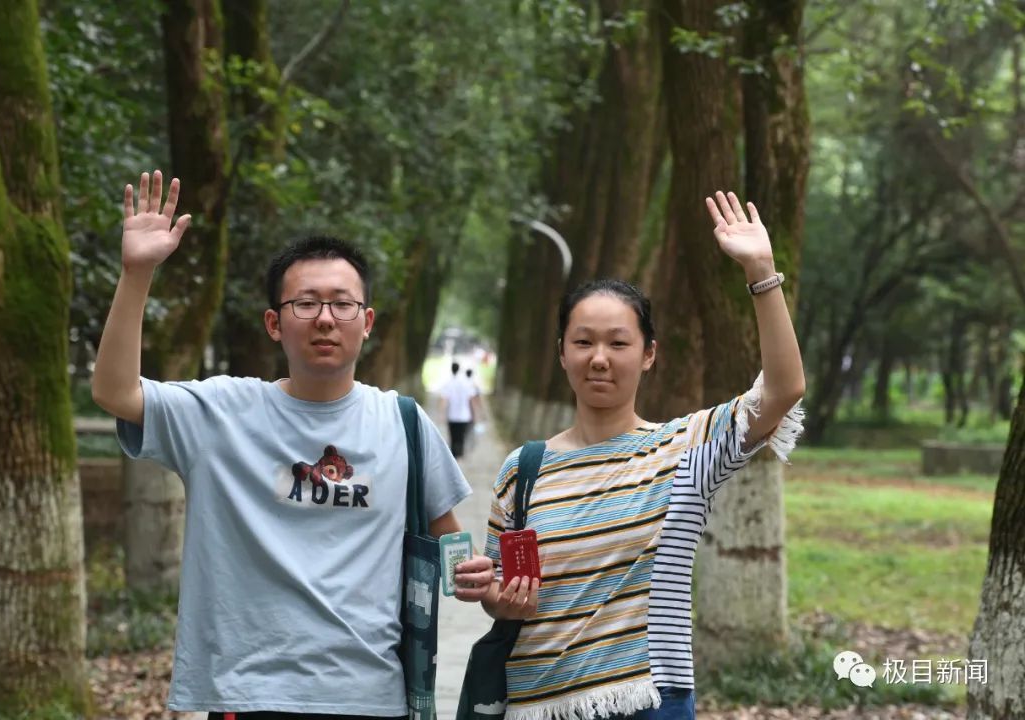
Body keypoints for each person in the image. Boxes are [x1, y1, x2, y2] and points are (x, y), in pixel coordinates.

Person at [91, 170, 495, 718]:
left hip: (371, 697)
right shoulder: (221, 413)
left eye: (342, 304)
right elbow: (115, 391)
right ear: (274, 324)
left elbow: (454, 553)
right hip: (249, 695)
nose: (325, 318)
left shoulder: (404, 423)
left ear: (367, 321)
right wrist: (136, 274)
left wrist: (482, 581)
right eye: (305, 304)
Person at [478, 191, 805, 720]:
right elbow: (506, 591)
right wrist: (491, 591)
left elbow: (784, 388)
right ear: (562, 352)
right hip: (536, 704)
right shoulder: (524, 468)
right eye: (583, 342)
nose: (600, 358)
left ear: (649, 354)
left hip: (650, 702)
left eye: (619, 343)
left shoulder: (687, 449)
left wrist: (761, 272)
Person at [438, 361, 480, 459]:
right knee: (462, 435)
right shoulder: (466, 383)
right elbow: (472, 400)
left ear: (452, 369)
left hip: (452, 416)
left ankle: (454, 454)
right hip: (464, 416)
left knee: (453, 435)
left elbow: (444, 400)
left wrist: (441, 414)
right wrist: (475, 414)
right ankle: (460, 453)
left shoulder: (449, 383)